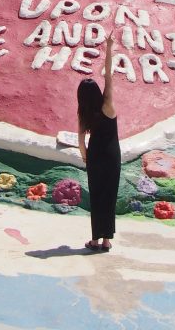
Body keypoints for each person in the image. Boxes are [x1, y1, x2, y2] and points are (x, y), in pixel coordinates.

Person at [77, 30, 121, 251]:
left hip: (94, 156)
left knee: (96, 196)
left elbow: (80, 140)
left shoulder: (84, 113)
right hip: (111, 155)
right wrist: (109, 47)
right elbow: (109, 75)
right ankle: (106, 240)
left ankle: (94, 239)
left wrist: (86, 158)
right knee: (109, 196)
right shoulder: (107, 105)